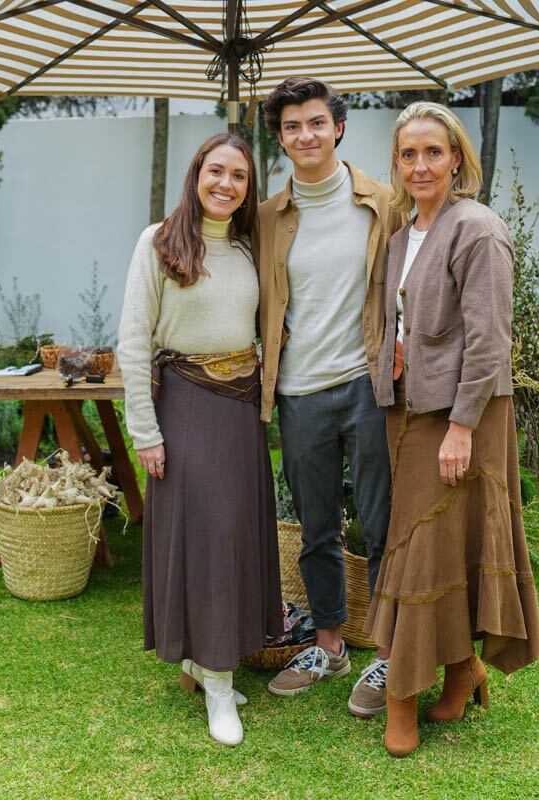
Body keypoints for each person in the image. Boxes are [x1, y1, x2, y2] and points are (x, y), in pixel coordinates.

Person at [365, 102, 539, 757]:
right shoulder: (400, 236)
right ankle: (462, 673)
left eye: (432, 152)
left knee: (417, 548)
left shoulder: (479, 229)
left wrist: (462, 429)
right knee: (438, 545)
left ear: (458, 160)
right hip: (411, 410)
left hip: (464, 413)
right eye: (408, 154)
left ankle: (402, 698)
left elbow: (490, 340)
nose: (419, 165)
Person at [116, 132, 282, 747]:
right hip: (184, 405)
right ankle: (216, 685)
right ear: (196, 175)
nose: (227, 184)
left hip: (241, 412)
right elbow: (133, 342)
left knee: (235, 536)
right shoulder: (157, 242)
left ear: (247, 189)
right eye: (217, 171)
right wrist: (146, 433)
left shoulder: (246, 249)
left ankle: (205, 657)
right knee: (207, 541)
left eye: (239, 176)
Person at [256, 77, 404, 716]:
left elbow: (414, 276)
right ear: (281, 137)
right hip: (298, 391)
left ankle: (391, 652)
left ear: (338, 126)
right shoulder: (265, 217)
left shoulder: (384, 202)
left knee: (383, 524)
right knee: (316, 528)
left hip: (369, 386)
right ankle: (329, 644)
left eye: (315, 122)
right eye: (292, 127)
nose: (305, 135)